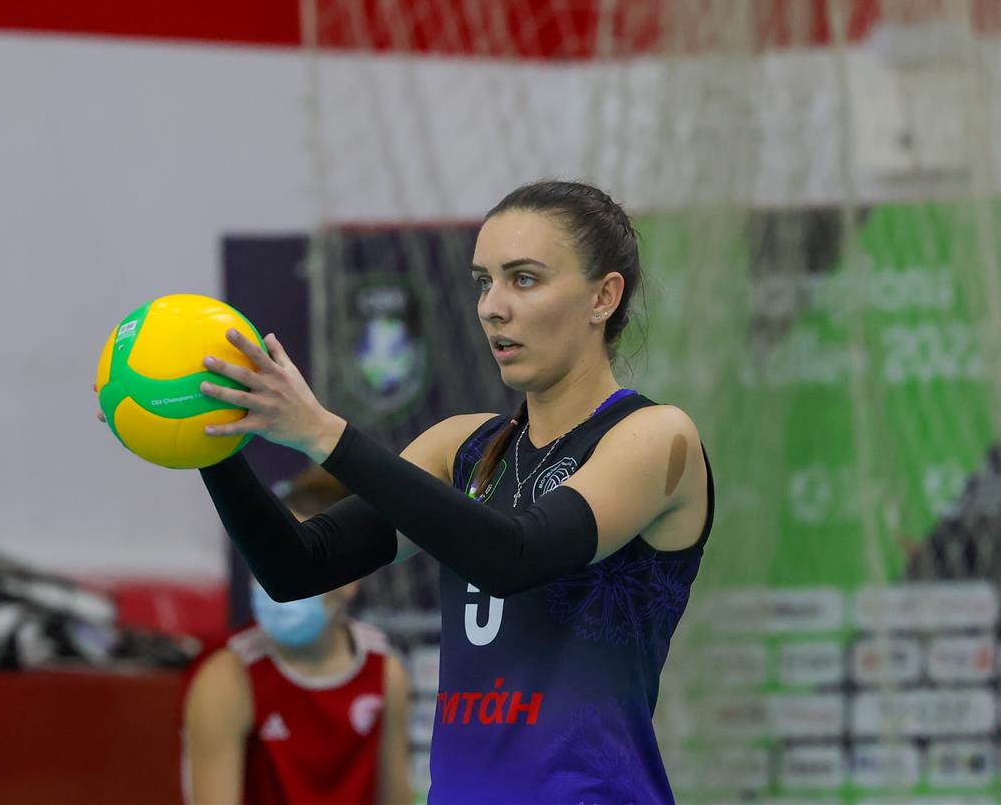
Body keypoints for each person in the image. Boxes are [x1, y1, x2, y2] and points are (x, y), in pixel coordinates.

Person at [103, 180, 713, 803]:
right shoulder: (461, 446)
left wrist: (322, 433)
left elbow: (514, 556)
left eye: (525, 279)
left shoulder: (656, 437)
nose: (493, 307)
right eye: (484, 282)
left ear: (603, 297)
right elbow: (297, 566)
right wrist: (208, 435)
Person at [181, 467, 411, 805]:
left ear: (350, 578)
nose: (275, 583)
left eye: (294, 566)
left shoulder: (385, 674)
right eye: (265, 565)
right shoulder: (226, 680)